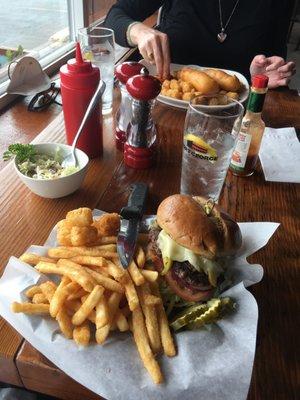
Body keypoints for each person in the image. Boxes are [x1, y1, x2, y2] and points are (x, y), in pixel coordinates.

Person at [104, 0, 296, 88]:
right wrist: (139, 31)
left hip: (235, 117)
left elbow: (274, 63)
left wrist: (260, 80)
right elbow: (115, 17)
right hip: (167, 107)